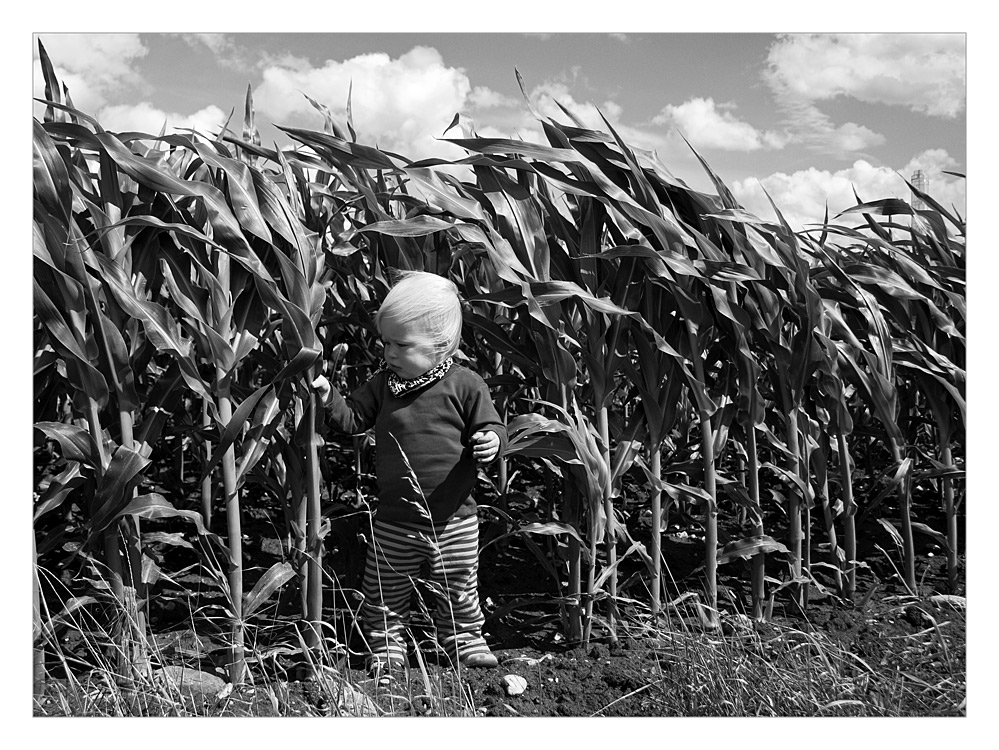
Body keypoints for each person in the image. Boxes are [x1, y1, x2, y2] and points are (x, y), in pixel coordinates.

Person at [312, 270, 506, 674]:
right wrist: (330, 397)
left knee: (458, 588)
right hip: (395, 520)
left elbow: (491, 425)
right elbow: (352, 421)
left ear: (440, 346)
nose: (390, 353)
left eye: (402, 344)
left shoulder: (465, 385)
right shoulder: (384, 386)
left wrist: (491, 440)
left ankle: (464, 639)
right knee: (385, 589)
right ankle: (385, 646)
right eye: (386, 343)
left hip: (455, 518)